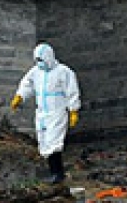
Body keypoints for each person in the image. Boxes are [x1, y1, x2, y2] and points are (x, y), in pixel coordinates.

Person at [10, 43, 81, 184]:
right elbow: (27, 84)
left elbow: (72, 91)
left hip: (56, 112)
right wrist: (20, 96)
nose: (39, 63)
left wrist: (73, 110)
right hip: (42, 112)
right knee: (44, 141)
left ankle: (57, 173)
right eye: (37, 60)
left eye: (41, 60)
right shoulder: (36, 72)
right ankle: (51, 171)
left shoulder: (63, 72)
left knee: (54, 142)